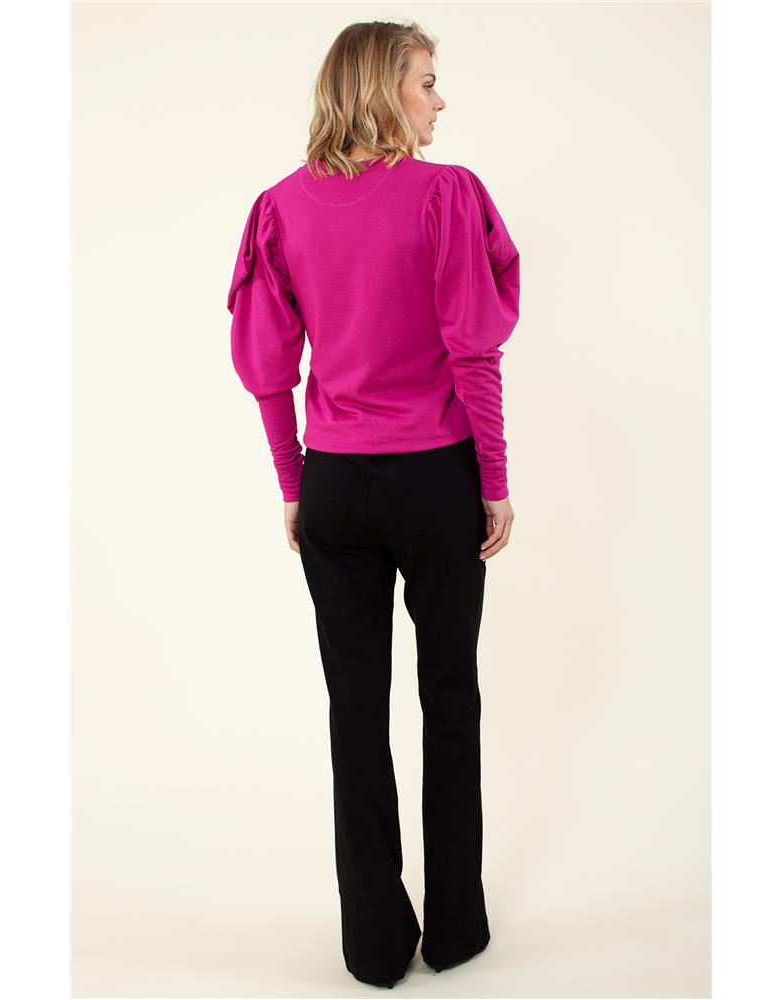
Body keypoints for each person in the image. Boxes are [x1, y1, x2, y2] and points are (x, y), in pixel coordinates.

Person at [226, 19, 519, 989]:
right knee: (450, 698)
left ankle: (373, 946)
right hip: (435, 477)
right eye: (427, 81)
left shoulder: (278, 208)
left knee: (354, 709)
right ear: (381, 89)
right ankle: (456, 928)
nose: (440, 99)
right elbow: (472, 346)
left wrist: (293, 481)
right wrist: (493, 480)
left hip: (336, 486)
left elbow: (268, 366)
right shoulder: (445, 195)